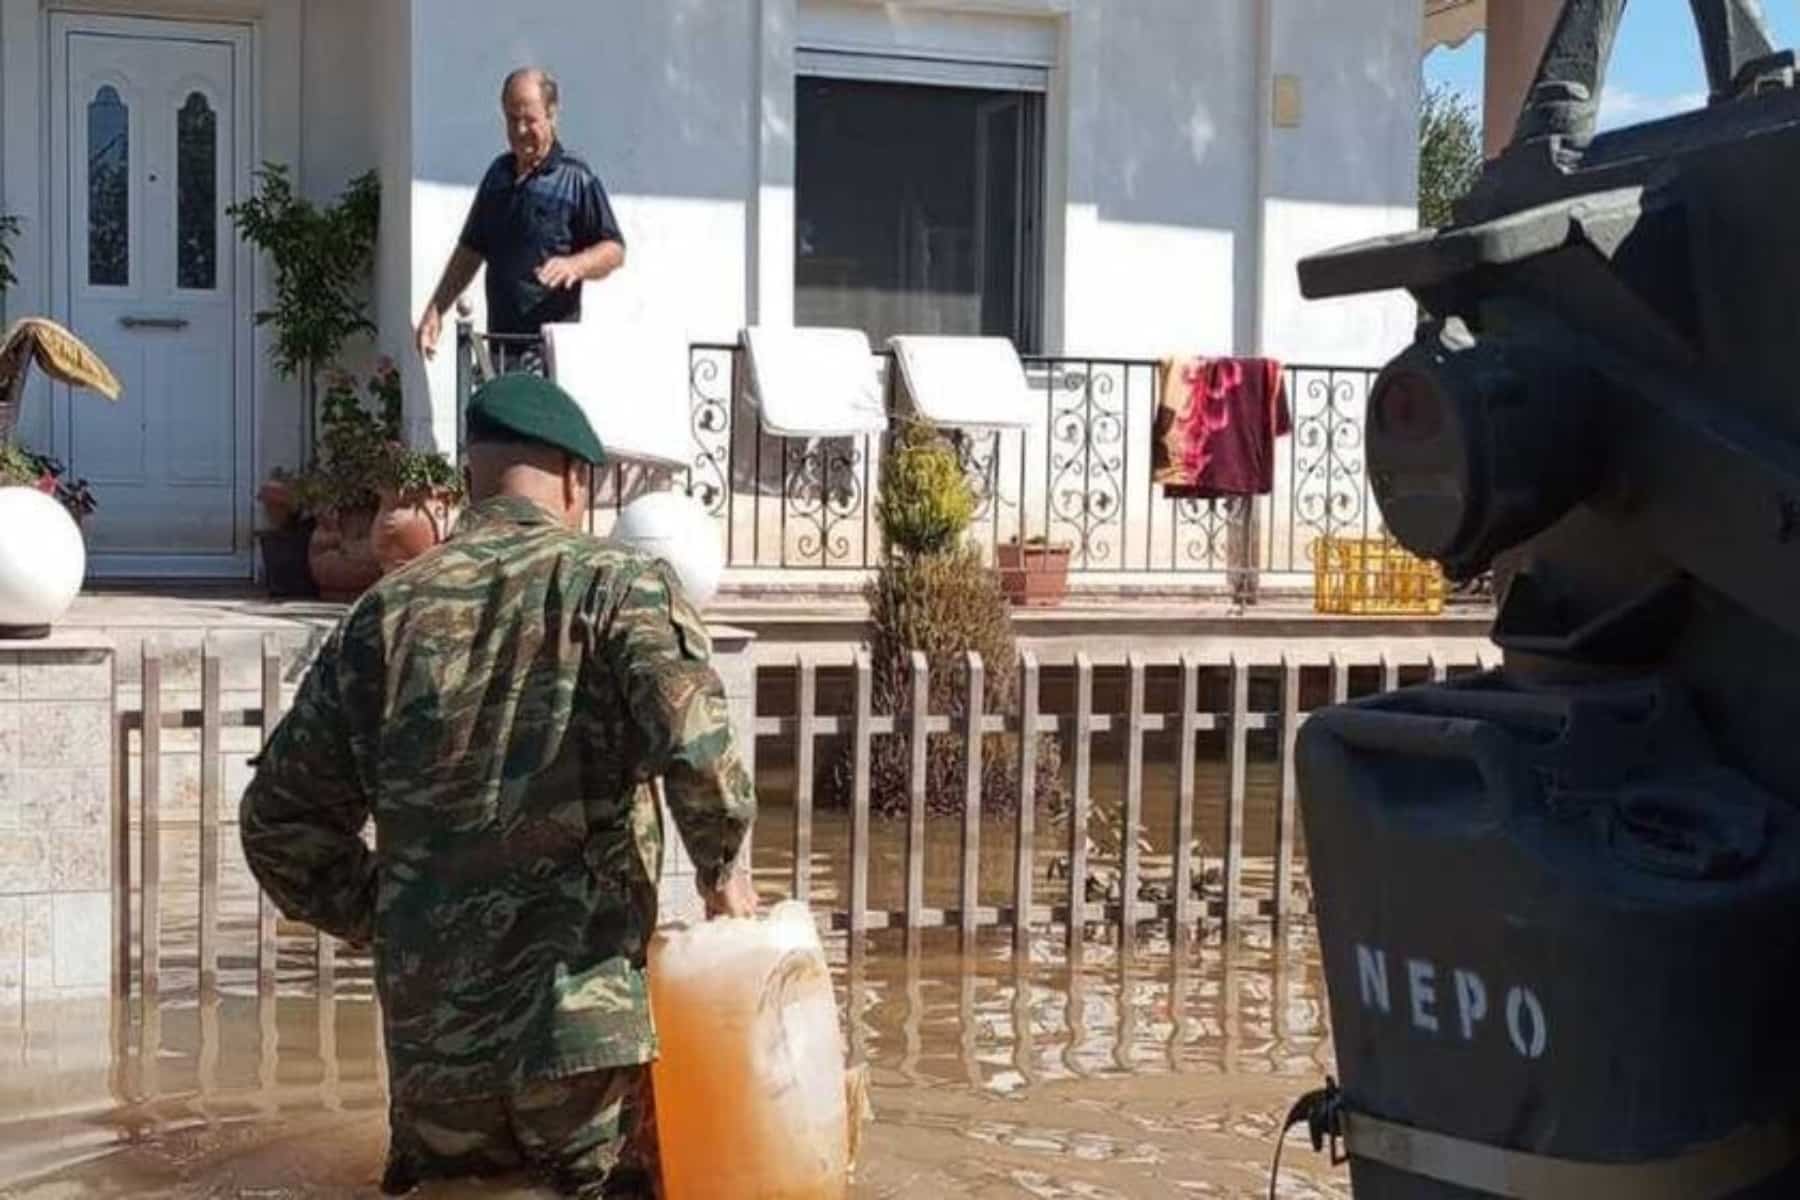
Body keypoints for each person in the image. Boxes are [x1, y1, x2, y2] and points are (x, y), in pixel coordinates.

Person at [240, 373, 757, 1198]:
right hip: (582, 1044)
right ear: (576, 481)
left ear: (471, 479)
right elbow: (698, 753)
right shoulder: (617, 587)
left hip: (434, 1059)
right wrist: (724, 876)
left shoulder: (383, 616)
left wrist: (388, 913)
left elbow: (276, 822)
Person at [414, 67, 626, 372]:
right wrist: (436, 310)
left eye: (530, 120)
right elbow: (470, 250)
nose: (520, 130)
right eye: (512, 119)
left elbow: (613, 249)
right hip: (499, 349)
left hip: (549, 355)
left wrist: (574, 265)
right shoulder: (498, 175)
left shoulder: (576, 178)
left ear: (552, 115)